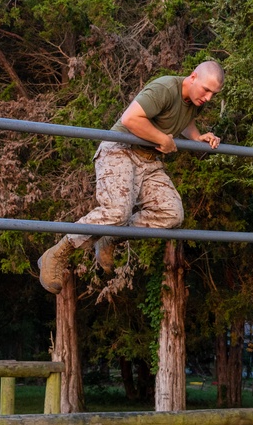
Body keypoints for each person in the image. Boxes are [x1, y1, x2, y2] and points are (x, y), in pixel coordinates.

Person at [38, 61, 225, 294]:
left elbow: (185, 119)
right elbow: (130, 119)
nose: (208, 98)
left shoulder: (195, 101)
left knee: (172, 214)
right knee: (117, 211)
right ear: (193, 77)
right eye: (206, 90)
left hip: (148, 159)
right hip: (120, 148)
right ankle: (57, 253)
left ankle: (111, 237)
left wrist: (197, 137)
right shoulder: (165, 88)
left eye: (213, 94)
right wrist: (162, 139)